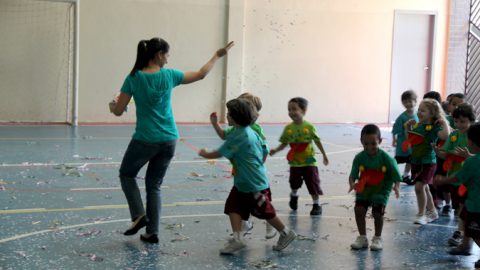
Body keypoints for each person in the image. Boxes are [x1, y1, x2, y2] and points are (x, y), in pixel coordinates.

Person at [109, 37, 234, 243]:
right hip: (169, 139)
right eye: (167, 55)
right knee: (154, 185)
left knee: (126, 174)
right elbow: (201, 74)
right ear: (159, 55)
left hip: (145, 139)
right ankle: (152, 232)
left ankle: (138, 214)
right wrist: (217, 56)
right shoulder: (169, 75)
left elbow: (119, 111)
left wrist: (113, 104)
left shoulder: (133, 78)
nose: (168, 59)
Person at [198, 98, 297, 255]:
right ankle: (238, 239)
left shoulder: (241, 135)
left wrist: (205, 154)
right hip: (243, 182)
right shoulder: (246, 131)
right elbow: (262, 151)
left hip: (253, 183)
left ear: (236, 117)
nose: (227, 116)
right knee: (233, 207)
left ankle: (285, 232)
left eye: (229, 114)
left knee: (265, 212)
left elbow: (219, 152)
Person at [210, 92, 276, 239]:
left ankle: (272, 224)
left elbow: (264, 149)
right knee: (241, 199)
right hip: (240, 170)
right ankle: (244, 225)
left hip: (254, 173)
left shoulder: (255, 130)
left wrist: (259, 164)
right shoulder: (236, 128)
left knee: (261, 201)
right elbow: (223, 135)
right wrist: (215, 124)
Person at [269, 97, 329, 215]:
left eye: (294, 109)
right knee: (294, 183)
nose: (291, 112)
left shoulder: (309, 127)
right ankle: (294, 195)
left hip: (309, 161)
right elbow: (284, 143)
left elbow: (317, 141)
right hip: (295, 162)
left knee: (313, 183)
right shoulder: (288, 128)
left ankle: (316, 205)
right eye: (289, 109)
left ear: (303, 110)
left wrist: (324, 155)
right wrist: (275, 150)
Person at [434, 123, 480, 269]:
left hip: (476, 205)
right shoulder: (473, 158)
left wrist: (442, 180)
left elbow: (458, 177)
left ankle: (468, 246)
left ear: (471, 142)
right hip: (472, 204)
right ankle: (465, 246)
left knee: (475, 231)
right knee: (465, 219)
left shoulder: (472, 162)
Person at [349, 124, 401, 251]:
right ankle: (362, 238)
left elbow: (396, 174)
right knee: (359, 210)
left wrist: (397, 187)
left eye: (373, 143)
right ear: (361, 141)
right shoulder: (359, 158)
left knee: (377, 213)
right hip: (365, 187)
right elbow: (353, 175)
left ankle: (377, 238)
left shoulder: (386, 158)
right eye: (366, 144)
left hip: (381, 187)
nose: (369, 147)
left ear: (380, 141)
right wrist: (352, 184)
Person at [404, 98, 450, 225]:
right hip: (416, 162)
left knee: (419, 187)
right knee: (425, 188)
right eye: (418, 110)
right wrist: (408, 128)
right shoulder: (418, 125)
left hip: (428, 163)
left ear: (432, 113)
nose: (419, 112)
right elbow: (411, 141)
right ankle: (432, 212)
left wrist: (444, 124)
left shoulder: (434, 127)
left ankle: (421, 214)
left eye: (422, 111)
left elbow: (445, 136)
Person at [391, 90, 418, 184]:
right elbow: (395, 128)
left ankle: (406, 175)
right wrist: (394, 140)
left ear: (415, 101)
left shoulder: (418, 115)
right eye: (405, 102)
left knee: (410, 160)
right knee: (398, 159)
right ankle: (391, 172)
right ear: (402, 103)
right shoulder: (402, 117)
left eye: (410, 101)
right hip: (403, 142)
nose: (408, 103)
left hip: (413, 143)